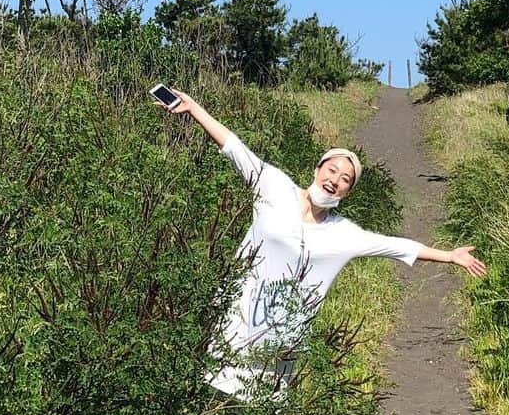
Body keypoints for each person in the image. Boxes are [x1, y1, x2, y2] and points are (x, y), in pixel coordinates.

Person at [158, 91, 487, 398]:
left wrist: (450, 256)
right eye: (332, 170)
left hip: (276, 346)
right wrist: (194, 109)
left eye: (346, 180)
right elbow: (234, 146)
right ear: (317, 170)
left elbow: (397, 246)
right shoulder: (273, 186)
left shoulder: (344, 233)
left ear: (347, 193)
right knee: (213, 402)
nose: (335, 179)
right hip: (232, 324)